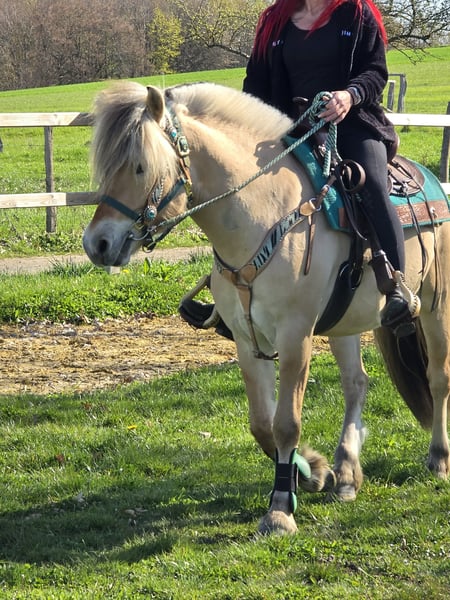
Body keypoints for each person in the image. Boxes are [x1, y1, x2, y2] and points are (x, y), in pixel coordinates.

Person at [180, 0, 419, 336]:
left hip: (352, 124)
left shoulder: (357, 13)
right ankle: (229, 295)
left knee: (373, 186)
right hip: (286, 129)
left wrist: (349, 96)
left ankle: (396, 288)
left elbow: (375, 72)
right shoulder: (274, 20)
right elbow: (256, 85)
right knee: (240, 191)